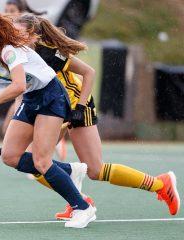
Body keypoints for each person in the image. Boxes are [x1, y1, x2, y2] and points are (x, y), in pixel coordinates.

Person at [13, 14, 180, 218]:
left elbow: (89, 72)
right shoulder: (18, 56)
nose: (12, 37)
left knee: (95, 170)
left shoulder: (50, 54)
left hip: (77, 106)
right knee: (36, 164)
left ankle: (160, 184)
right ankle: (78, 199)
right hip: (52, 111)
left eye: (17, 32)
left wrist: (80, 109)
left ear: (33, 36)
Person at [0, 8, 96, 228]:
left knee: (41, 161)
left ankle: (83, 208)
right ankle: (70, 171)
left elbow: (18, 85)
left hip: (51, 95)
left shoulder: (7, 50)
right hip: (31, 98)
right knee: (10, 156)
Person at [2, 0, 67, 160]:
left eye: (12, 10)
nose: (7, 15)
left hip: (55, 93)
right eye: (6, 10)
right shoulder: (13, 46)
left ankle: (53, 143)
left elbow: (71, 62)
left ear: (21, 13)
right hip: (33, 92)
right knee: (7, 128)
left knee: (35, 143)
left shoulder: (41, 46)